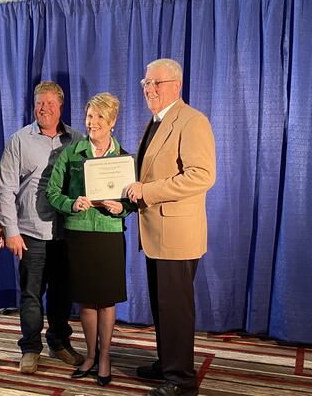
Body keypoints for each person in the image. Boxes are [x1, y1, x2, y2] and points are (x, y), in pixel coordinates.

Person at [125, 59, 216, 396]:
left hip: (177, 235)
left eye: (156, 83)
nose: (149, 88)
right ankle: (167, 363)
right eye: (145, 82)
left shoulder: (192, 121)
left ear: (176, 85)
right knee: (163, 305)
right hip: (156, 234)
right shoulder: (156, 121)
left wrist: (147, 192)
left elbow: (202, 175)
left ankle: (182, 379)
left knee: (175, 309)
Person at [46, 92, 134, 387]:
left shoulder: (124, 158)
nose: (92, 122)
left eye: (99, 117)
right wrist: (73, 203)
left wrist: (122, 207)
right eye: (89, 116)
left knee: (106, 301)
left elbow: (134, 200)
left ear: (112, 122)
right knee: (86, 302)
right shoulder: (71, 153)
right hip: (80, 233)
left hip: (109, 234)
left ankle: (106, 356)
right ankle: (90, 355)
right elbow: (52, 193)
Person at [0, 81, 85, 373]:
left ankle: (59, 343)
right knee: (31, 294)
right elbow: (5, 189)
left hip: (65, 232)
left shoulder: (77, 140)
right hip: (30, 232)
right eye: (39, 102)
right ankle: (30, 347)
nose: (43, 108)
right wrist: (10, 230)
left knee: (62, 293)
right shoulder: (19, 140)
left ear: (60, 106)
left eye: (49, 103)